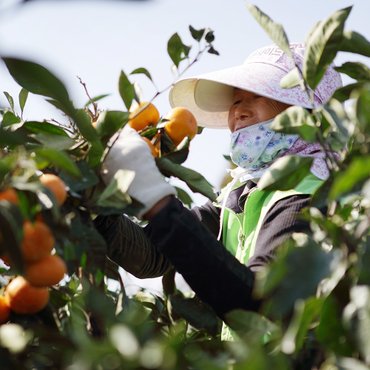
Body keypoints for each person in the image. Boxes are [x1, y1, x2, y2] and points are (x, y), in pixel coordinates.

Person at [96, 43, 342, 338]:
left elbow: (259, 305)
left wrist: (155, 196)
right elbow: (151, 256)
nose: (238, 110)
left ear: (304, 114)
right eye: (236, 100)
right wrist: (99, 208)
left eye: (259, 95)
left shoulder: (310, 196)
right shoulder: (242, 195)